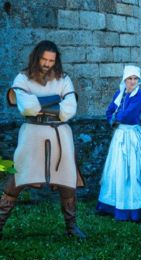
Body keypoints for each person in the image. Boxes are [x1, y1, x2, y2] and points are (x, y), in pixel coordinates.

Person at [1, 40, 86, 239]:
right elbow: (27, 107)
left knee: (67, 180)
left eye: (51, 60)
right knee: (17, 178)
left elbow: (69, 110)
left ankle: (72, 228)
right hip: (32, 133)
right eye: (44, 59)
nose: (47, 64)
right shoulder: (22, 78)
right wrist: (56, 99)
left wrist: (40, 102)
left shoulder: (64, 79)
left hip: (60, 135)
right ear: (37, 57)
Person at [96, 65, 141, 221]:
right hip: (120, 135)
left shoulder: (139, 97)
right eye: (129, 78)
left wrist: (116, 118)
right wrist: (112, 119)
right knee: (117, 168)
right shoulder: (119, 94)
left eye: (135, 79)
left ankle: (136, 209)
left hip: (132, 137)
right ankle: (112, 205)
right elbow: (109, 111)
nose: (132, 81)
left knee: (133, 170)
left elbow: (128, 115)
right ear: (125, 80)